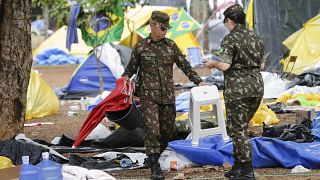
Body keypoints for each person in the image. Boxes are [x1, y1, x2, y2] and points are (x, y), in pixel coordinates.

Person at [122, 11, 207, 180]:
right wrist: (122, 84)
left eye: (166, 28)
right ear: (152, 25)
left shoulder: (171, 45)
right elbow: (130, 70)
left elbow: (185, 65)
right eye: (162, 27)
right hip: (148, 96)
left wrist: (199, 82)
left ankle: (153, 155)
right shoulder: (141, 47)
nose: (164, 31)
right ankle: (154, 164)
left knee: (167, 131)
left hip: (167, 95)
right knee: (152, 130)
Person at [203, 4, 265, 180]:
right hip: (256, 87)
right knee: (240, 127)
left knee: (239, 130)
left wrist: (212, 63)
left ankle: (247, 171)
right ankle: (238, 167)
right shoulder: (257, 38)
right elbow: (261, 65)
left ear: (230, 21)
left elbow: (224, 65)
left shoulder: (230, 39)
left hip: (238, 89)